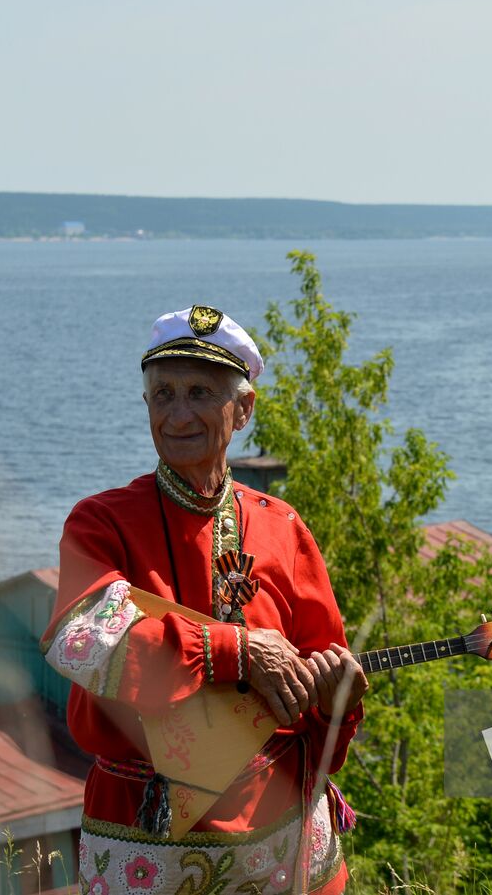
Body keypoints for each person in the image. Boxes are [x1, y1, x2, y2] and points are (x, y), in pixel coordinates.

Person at [41, 304, 367, 895]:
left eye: (199, 392)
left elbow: (322, 679)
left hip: (284, 845)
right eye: (162, 394)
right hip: (147, 848)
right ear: (145, 407)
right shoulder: (101, 523)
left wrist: (333, 698)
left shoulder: (283, 526)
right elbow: (84, 638)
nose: (178, 413)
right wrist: (234, 651)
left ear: (242, 410)